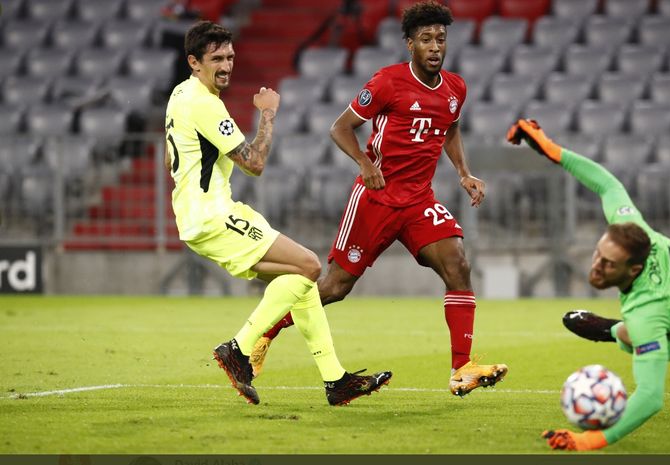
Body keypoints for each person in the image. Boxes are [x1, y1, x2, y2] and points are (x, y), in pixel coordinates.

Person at [251, 1, 508, 397]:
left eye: (440, 38)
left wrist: (463, 173)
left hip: (419, 200)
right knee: (335, 287)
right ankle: (262, 334)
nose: (435, 46)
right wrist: (364, 162)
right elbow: (340, 128)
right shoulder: (387, 83)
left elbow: (450, 129)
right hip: (376, 198)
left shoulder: (456, 88)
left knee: (458, 264)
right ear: (410, 44)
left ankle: (462, 368)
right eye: (426, 39)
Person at [164, 20, 391, 406]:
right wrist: (268, 113)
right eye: (216, 58)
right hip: (212, 214)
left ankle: (336, 380)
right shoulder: (203, 103)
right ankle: (238, 349)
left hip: (200, 214)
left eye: (230, 57)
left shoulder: (181, 93)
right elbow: (254, 163)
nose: (226, 65)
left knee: (300, 277)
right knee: (309, 265)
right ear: (194, 61)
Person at [506, 119, 670, 451]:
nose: (595, 268)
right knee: (641, 335)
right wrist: (551, 148)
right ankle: (616, 331)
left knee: (643, 336)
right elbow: (607, 183)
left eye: (608, 264)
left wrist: (590, 440)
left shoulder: (647, 310)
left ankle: (615, 331)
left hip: (669, 312)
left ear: (635, 269)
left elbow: (651, 397)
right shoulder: (631, 227)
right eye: (598, 254)